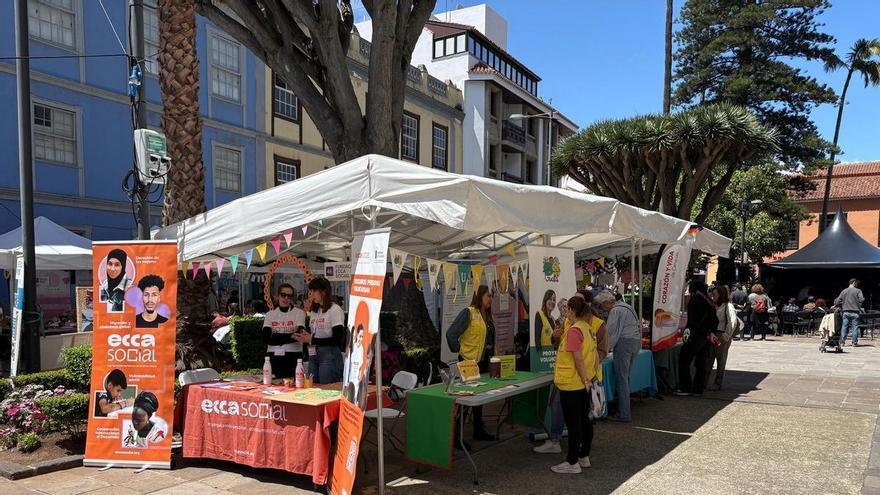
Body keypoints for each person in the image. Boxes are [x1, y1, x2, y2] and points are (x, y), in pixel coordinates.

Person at [549, 295, 601, 474]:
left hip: (572, 384)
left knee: (574, 424)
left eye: (566, 310)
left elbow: (578, 357)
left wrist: (585, 379)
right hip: (581, 383)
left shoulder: (573, 330)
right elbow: (593, 356)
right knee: (584, 422)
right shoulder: (587, 329)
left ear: (571, 310)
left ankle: (572, 462)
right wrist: (590, 378)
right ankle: (583, 456)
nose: (565, 313)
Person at [446, 285, 496, 445]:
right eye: (488, 296)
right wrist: (460, 349)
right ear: (480, 296)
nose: (491, 299)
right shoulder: (468, 312)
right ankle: (456, 437)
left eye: (492, 296)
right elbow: (451, 333)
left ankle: (478, 430)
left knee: (479, 397)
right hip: (467, 362)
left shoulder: (486, 316)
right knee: (465, 400)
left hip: (480, 362)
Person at [595, 290, 641, 422]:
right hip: (635, 343)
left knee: (621, 379)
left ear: (607, 302)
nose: (603, 309)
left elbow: (611, 334)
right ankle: (624, 409)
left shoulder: (616, 311)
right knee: (625, 377)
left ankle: (624, 414)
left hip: (624, 345)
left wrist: (604, 350)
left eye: (603, 305)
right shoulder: (627, 307)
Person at [296, 277, 346, 383]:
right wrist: (305, 336)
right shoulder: (315, 311)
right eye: (310, 291)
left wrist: (312, 339)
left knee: (326, 388)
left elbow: (337, 339)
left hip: (329, 354)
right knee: (313, 386)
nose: (311, 294)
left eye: (314, 291)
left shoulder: (335, 309)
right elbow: (314, 334)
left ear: (324, 291)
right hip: (313, 354)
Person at [675, 281, 719, 396]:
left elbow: (694, 320)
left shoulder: (695, 300)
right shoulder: (708, 301)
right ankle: (698, 389)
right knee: (701, 363)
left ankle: (686, 387)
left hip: (696, 335)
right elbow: (715, 320)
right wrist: (710, 332)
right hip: (706, 336)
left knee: (684, 360)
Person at [262, 284, 306, 379]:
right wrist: (291, 336)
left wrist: (276, 336)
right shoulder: (270, 314)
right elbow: (266, 338)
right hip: (273, 356)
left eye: (289, 296)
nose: (286, 298)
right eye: (283, 295)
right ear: (278, 295)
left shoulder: (299, 313)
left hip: (294, 356)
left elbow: (299, 335)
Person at [708, 286, 737, 391]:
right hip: (711, 334)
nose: (712, 296)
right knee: (708, 359)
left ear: (721, 295)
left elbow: (733, 322)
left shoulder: (728, 306)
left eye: (715, 294)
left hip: (721, 335)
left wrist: (726, 335)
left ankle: (717, 383)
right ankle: (704, 381)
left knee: (721, 361)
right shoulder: (712, 305)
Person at [577, 289, 608, 361]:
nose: (575, 302)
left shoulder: (599, 324)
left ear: (588, 304)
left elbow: (602, 351)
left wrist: (588, 363)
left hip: (590, 370)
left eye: (579, 300)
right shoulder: (568, 321)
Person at [838, 279, 865, 347]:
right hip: (855, 312)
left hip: (846, 312)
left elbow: (838, 301)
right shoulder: (858, 290)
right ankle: (854, 343)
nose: (857, 285)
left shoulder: (844, 291)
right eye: (856, 283)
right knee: (854, 328)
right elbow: (861, 299)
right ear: (854, 283)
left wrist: (843, 304)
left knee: (844, 327)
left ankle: (842, 342)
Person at [534, 290, 558, 357]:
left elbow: (553, 340)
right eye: (550, 299)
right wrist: (540, 356)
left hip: (551, 356)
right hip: (543, 356)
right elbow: (537, 338)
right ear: (545, 300)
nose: (552, 302)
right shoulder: (539, 314)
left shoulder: (553, 319)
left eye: (554, 300)